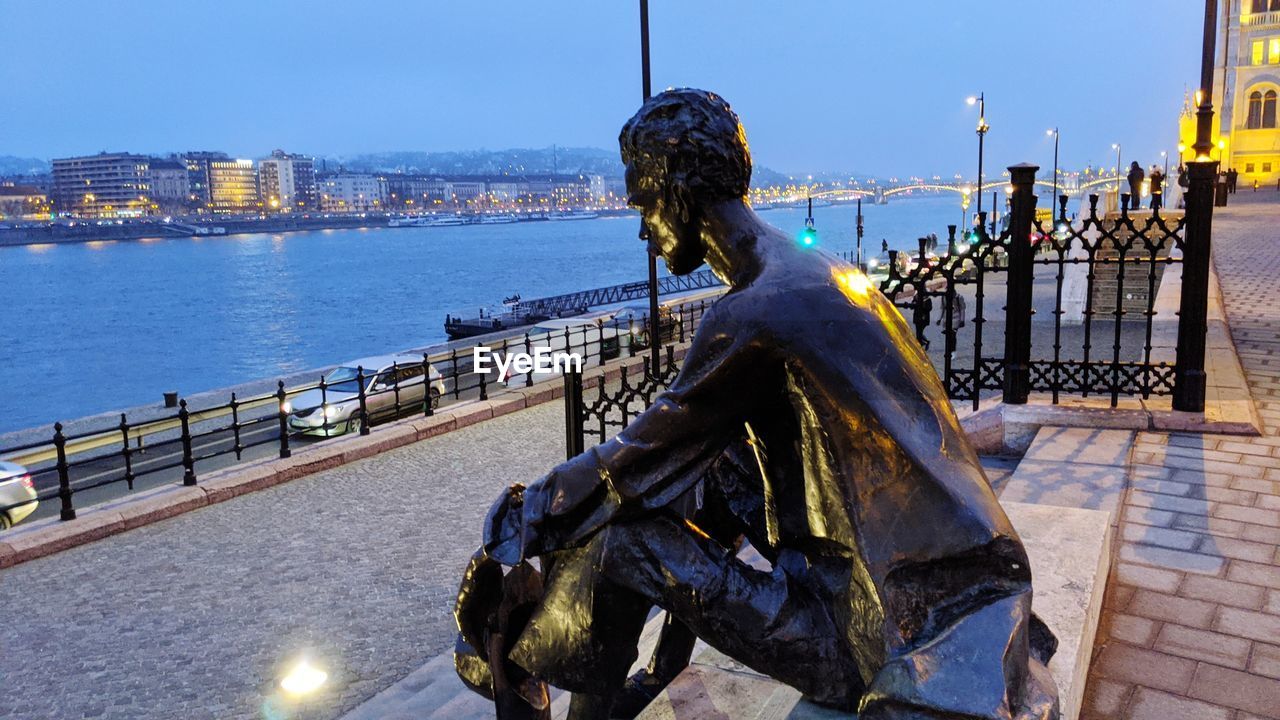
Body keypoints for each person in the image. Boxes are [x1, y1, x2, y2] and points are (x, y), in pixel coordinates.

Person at [455, 88, 1058, 720]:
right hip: (945, 602)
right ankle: (598, 674)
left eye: (645, 201)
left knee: (619, 539)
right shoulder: (818, 272)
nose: (644, 230)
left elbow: (636, 458)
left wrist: (519, 520)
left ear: (680, 188)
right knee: (695, 478)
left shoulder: (753, 314)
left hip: (871, 638)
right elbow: (681, 472)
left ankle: (523, 678)